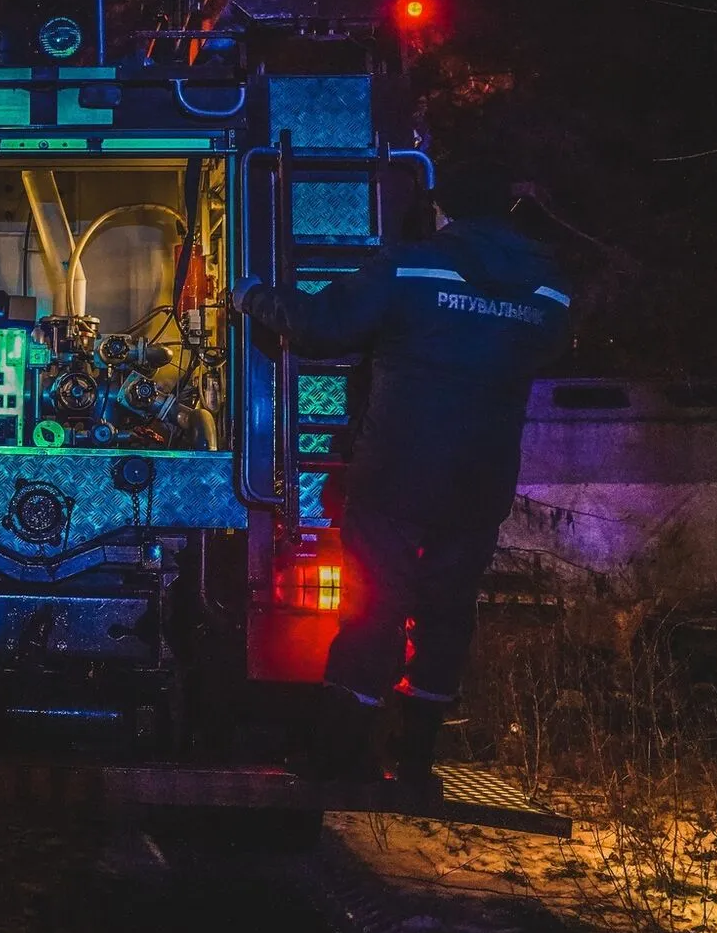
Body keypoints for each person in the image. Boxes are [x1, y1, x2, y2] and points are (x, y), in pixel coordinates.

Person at [230, 156, 572, 785]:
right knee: (446, 612)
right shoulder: (549, 290)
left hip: (396, 474)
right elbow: (540, 356)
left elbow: (319, 329)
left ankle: (343, 756)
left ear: (443, 208)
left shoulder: (411, 267)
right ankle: (416, 760)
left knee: (373, 608)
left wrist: (253, 296)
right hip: (480, 481)